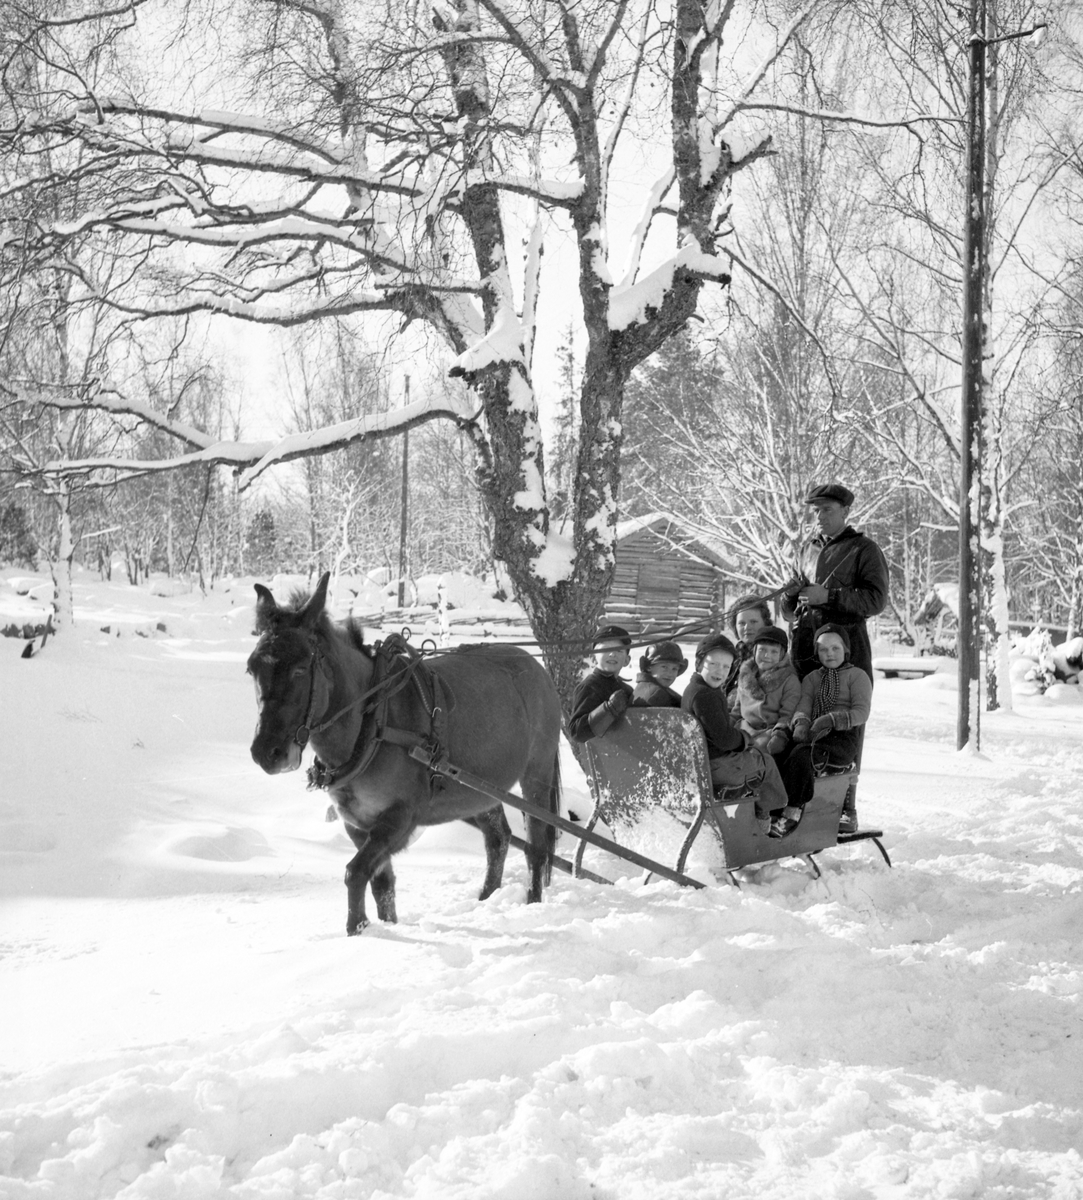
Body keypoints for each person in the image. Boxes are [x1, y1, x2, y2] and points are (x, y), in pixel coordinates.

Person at [781, 482, 888, 832]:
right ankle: (795, 800)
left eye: (827, 510)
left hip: (847, 648)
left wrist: (829, 595)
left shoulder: (864, 549)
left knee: (847, 722)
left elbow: (875, 601)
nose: (820, 517)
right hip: (805, 645)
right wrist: (790, 598)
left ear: (845, 512)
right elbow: (792, 607)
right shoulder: (807, 550)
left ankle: (845, 806)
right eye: (816, 511)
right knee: (800, 715)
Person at [774, 624, 872, 838]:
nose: (830, 654)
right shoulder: (812, 678)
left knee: (803, 756)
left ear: (845, 649)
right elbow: (804, 704)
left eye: (835, 648)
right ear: (817, 653)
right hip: (813, 735)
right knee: (780, 752)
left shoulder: (857, 676)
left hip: (841, 740)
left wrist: (831, 719)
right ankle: (773, 809)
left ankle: (793, 811)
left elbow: (861, 712)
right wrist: (801, 723)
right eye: (823, 649)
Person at [681, 633, 788, 826]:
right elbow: (724, 739)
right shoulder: (705, 696)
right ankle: (766, 816)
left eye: (726, 666)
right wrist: (743, 739)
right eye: (713, 664)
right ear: (699, 662)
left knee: (753, 757)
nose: (719, 671)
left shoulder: (695, 689)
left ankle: (754, 809)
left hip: (705, 762)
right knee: (765, 762)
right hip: (716, 766)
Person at [735, 625, 801, 761]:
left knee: (753, 757)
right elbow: (736, 709)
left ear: (782, 655)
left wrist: (780, 735)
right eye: (762, 650)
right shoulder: (746, 674)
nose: (767, 656)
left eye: (774, 652)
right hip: (744, 728)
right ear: (754, 651)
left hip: (769, 733)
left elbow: (787, 715)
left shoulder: (789, 679)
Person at [568, 625, 635, 742]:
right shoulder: (588, 687)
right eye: (605, 649)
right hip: (601, 757)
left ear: (627, 660)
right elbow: (576, 732)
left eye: (619, 650)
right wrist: (608, 710)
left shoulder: (627, 690)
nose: (612, 654)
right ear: (593, 658)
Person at [722, 594, 773, 708]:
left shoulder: (771, 655)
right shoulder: (733, 654)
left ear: (765, 623)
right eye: (741, 623)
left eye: (753, 622)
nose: (747, 628)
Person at [632, 641, 687, 708]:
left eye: (674, 669)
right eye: (664, 667)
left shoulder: (644, 687)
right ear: (649, 667)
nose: (670, 673)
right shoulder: (657, 694)